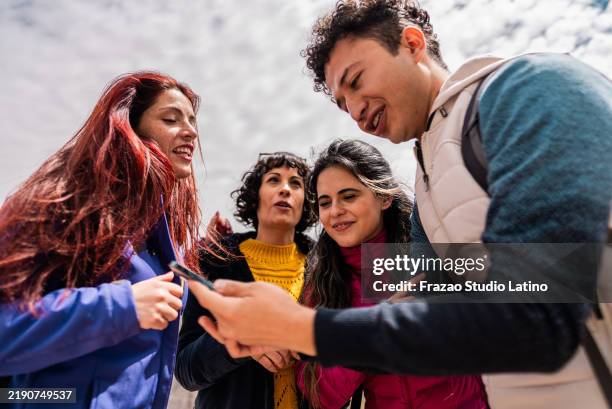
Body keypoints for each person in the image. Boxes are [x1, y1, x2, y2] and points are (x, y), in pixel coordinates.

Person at [187, 1, 612, 408]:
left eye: (355, 81)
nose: (353, 109)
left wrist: (301, 327)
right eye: (341, 102)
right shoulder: (428, 179)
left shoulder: (531, 86)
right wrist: (279, 335)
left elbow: (538, 310)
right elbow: (431, 311)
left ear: (412, 43)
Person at [0, 71, 203, 409]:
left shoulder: (168, 239)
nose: (191, 131)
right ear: (129, 126)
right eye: (171, 118)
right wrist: (121, 307)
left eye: (193, 121)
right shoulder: (64, 206)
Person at [296, 139, 487, 409]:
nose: (335, 211)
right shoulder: (323, 284)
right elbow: (320, 393)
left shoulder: (434, 248)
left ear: (384, 197)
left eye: (349, 196)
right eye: (325, 203)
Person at [175, 152, 315, 409]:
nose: (285, 189)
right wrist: (240, 337)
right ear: (255, 196)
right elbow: (186, 370)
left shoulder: (324, 265)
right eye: (274, 180)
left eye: (296, 184)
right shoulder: (216, 258)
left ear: (306, 200)